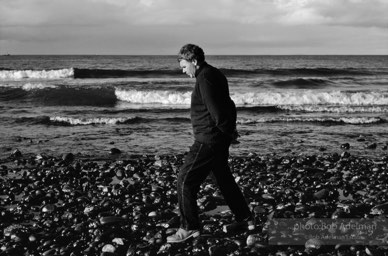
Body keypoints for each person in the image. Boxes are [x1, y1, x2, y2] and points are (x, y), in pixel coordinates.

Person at [167, 44, 254, 243]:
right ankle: (246, 219)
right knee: (223, 179)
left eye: (184, 66)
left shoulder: (205, 78)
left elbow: (218, 111)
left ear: (194, 61)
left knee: (185, 180)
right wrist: (229, 132)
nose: (183, 71)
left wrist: (228, 132)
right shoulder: (213, 74)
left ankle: (188, 227)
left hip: (209, 140)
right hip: (217, 138)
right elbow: (229, 105)